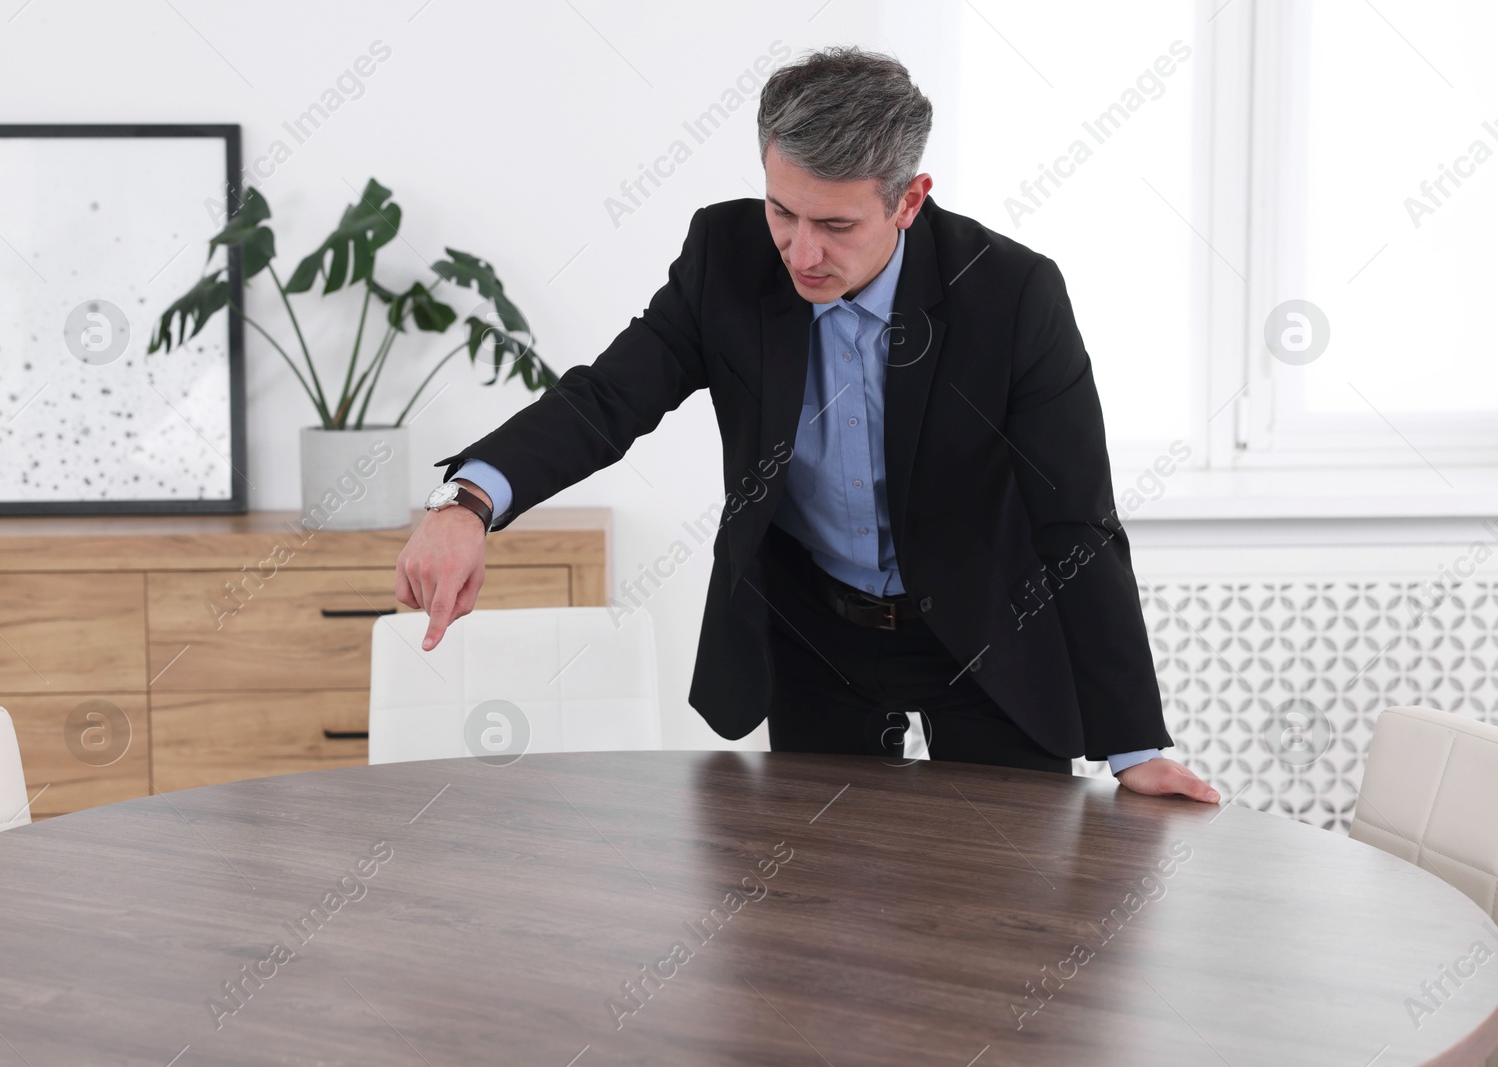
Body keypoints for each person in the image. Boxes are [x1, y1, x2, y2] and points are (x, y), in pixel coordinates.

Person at [396, 45, 1218, 803]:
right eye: (783, 212)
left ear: (910, 199)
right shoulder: (725, 255)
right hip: (819, 635)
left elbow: (1075, 520)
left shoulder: (1011, 295)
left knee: (1004, 907)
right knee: (816, 914)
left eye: (835, 226)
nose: (800, 252)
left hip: (986, 633)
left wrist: (1133, 745)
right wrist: (467, 503)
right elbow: (607, 397)